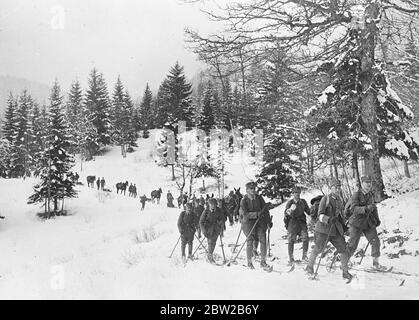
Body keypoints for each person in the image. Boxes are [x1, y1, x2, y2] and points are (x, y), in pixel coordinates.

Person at [305, 179, 352, 281]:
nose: (338, 189)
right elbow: (320, 216)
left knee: (343, 249)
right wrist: (329, 219)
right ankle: (309, 267)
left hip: (335, 230)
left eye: (339, 187)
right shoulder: (325, 199)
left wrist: (344, 227)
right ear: (331, 188)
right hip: (323, 229)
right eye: (336, 187)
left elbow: (339, 216)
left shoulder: (339, 200)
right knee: (318, 249)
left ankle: (345, 272)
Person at [347, 175, 385, 270]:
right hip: (356, 223)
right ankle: (345, 261)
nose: (369, 184)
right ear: (362, 183)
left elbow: (374, 208)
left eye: (370, 182)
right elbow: (353, 208)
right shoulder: (356, 195)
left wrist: (377, 219)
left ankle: (376, 264)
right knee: (352, 245)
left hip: (368, 222)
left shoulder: (370, 195)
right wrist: (365, 208)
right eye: (367, 182)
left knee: (375, 241)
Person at [239, 181, 271, 269]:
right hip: (248, 222)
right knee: (250, 240)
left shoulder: (259, 198)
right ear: (247, 190)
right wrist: (256, 214)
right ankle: (249, 262)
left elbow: (265, 210)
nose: (253, 190)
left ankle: (263, 261)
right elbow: (245, 214)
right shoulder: (244, 200)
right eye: (251, 189)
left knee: (263, 239)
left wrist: (268, 222)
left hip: (259, 222)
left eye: (254, 188)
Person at [284, 186, 310, 264]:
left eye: (298, 193)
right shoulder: (290, 202)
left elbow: (308, 211)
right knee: (291, 240)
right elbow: (286, 213)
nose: (297, 194)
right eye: (295, 193)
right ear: (293, 194)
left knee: (305, 238)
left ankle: (304, 256)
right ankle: (291, 258)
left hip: (302, 222)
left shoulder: (303, 202)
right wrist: (290, 210)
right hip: (293, 223)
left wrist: (313, 210)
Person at [199, 198, 225, 264]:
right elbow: (201, 222)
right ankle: (210, 256)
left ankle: (210, 254)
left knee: (213, 243)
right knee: (210, 242)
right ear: (209, 205)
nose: (213, 206)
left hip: (216, 229)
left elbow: (223, 219)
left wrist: (221, 225)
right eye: (211, 204)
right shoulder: (206, 211)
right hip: (208, 230)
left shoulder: (219, 210)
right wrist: (204, 231)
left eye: (214, 204)